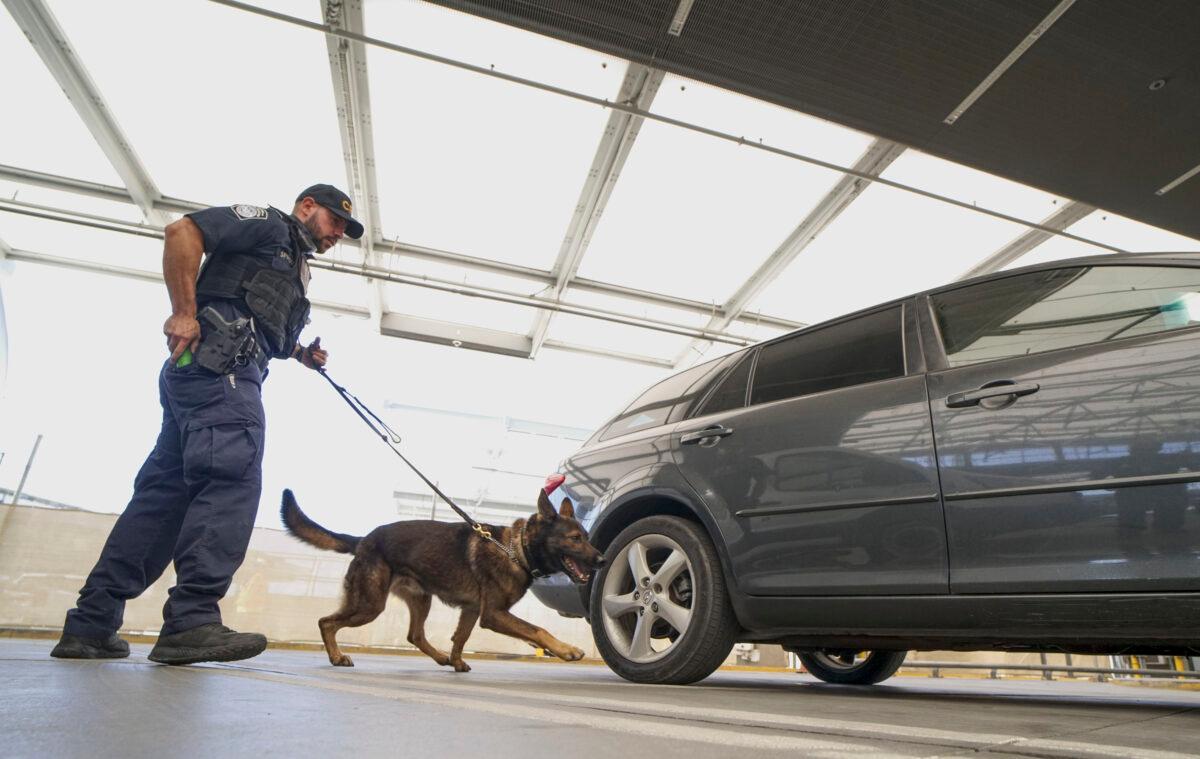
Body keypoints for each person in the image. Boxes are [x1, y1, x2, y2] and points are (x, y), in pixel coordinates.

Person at [50, 184, 364, 665]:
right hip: (222, 372)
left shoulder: (295, 266)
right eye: (334, 221)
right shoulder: (267, 223)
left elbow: (262, 322)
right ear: (306, 207)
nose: (338, 233)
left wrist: (302, 354)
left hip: (201, 377)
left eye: (345, 229)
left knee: (161, 501)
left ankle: (91, 625)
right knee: (231, 477)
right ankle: (192, 621)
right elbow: (183, 231)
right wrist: (182, 311)